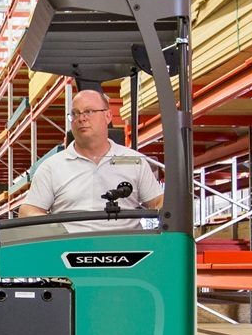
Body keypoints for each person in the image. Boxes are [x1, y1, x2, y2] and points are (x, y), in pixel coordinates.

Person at [17, 85, 164, 229]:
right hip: (70, 248)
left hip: (129, 248)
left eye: (88, 111)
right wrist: (54, 228)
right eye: (75, 113)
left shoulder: (135, 162)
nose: (81, 118)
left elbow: (158, 201)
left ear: (108, 116)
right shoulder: (52, 167)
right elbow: (27, 211)